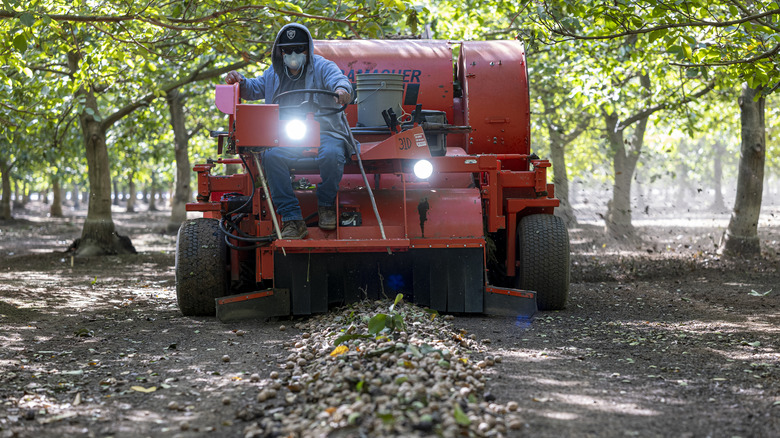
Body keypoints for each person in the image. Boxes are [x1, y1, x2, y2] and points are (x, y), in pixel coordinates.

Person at [225, 23, 353, 240]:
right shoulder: (273, 73)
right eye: (287, 50)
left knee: (332, 154)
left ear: (307, 49)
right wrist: (240, 81)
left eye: (299, 49)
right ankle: (293, 219)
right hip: (287, 134)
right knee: (271, 156)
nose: (293, 55)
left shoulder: (323, 66)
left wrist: (342, 90)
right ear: (280, 52)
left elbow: (339, 80)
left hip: (326, 130)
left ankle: (326, 204)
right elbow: (254, 88)